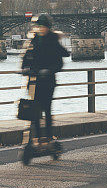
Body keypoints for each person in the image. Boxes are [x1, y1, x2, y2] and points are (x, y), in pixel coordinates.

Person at [21, 13, 70, 143]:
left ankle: (48, 136)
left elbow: (59, 63)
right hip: (34, 80)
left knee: (46, 108)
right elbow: (25, 59)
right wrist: (24, 68)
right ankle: (36, 136)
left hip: (47, 81)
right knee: (34, 110)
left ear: (48, 28)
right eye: (38, 27)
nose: (40, 29)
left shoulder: (52, 41)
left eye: (43, 27)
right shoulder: (32, 41)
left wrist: (49, 70)